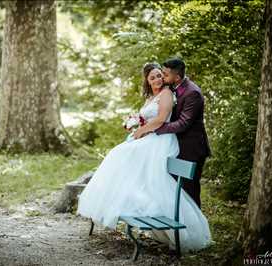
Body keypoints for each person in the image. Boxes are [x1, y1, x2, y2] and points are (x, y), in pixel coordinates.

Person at [77, 62, 211, 252]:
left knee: (123, 156)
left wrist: (141, 130)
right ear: (147, 82)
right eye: (153, 77)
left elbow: (161, 119)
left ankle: (178, 225)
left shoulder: (166, 93)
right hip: (151, 135)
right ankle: (127, 200)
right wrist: (136, 126)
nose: (158, 79)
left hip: (160, 139)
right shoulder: (151, 96)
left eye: (160, 75)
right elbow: (148, 118)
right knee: (121, 157)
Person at [151, 58, 211, 208]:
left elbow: (183, 123)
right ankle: (178, 224)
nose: (162, 77)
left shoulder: (193, 93)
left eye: (165, 74)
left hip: (192, 148)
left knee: (190, 192)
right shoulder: (172, 88)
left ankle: (195, 228)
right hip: (176, 147)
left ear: (176, 77)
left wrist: (157, 129)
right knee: (175, 191)